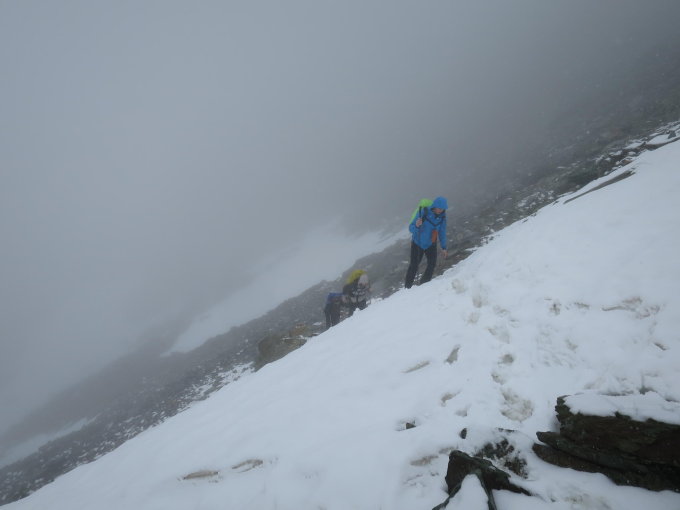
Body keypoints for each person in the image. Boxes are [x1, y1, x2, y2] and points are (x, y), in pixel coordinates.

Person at [405, 196, 448, 288]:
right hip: (418, 243)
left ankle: (424, 286)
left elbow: (442, 232)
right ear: (435, 206)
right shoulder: (423, 212)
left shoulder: (442, 218)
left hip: (431, 244)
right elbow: (411, 228)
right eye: (439, 208)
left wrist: (444, 247)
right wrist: (417, 226)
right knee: (414, 266)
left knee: (432, 264)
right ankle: (407, 288)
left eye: (443, 209)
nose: (441, 210)